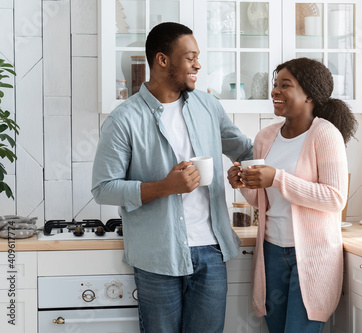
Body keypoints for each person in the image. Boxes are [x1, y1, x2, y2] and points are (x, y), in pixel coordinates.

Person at [92, 22, 253, 333]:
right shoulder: (124, 119)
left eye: (198, 57)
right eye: (190, 57)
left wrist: (245, 172)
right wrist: (165, 187)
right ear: (162, 60)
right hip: (157, 254)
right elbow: (104, 189)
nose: (198, 65)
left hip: (212, 249)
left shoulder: (208, 106)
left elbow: (243, 149)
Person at [227, 57, 357, 332]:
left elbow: (335, 198)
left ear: (309, 94)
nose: (275, 91)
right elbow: (262, 201)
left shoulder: (325, 134)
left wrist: (277, 178)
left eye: (285, 85)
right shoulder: (265, 137)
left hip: (312, 255)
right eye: (275, 85)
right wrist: (244, 184)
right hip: (272, 252)